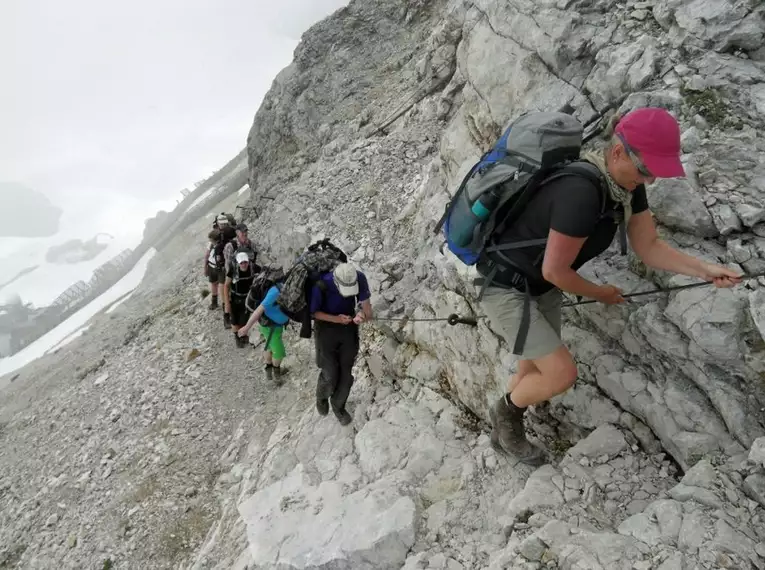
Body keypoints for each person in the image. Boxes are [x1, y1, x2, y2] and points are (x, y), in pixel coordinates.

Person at [475, 106, 743, 465]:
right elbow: (557, 270)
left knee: (533, 368)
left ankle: (501, 431)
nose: (649, 180)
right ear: (618, 151)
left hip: (536, 284)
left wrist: (705, 270)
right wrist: (601, 293)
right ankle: (506, 416)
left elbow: (650, 247)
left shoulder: (625, 185)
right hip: (507, 286)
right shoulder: (581, 192)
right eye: (646, 171)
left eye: (655, 174)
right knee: (561, 373)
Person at [310, 262, 373, 425]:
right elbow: (314, 313)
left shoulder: (359, 278)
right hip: (325, 328)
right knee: (330, 371)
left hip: (348, 327)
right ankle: (322, 395)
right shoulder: (322, 284)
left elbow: (367, 310)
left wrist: (361, 315)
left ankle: (338, 406)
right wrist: (336, 319)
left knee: (346, 374)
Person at [237, 270, 290, 385]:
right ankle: (276, 374)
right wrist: (247, 327)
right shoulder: (275, 291)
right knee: (279, 351)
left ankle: (269, 371)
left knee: (269, 345)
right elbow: (259, 310)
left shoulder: (281, 288)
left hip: (274, 325)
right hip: (270, 326)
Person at [224, 252, 257, 347]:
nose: (243, 264)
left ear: (248, 261)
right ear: (238, 263)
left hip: (247, 298)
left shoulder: (253, 268)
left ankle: (241, 335)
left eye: (245, 262)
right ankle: (237, 337)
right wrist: (227, 303)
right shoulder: (233, 270)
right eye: (241, 263)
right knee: (234, 320)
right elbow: (226, 286)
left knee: (243, 320)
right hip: (235, 299)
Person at [204, 229, 221, 309]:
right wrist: (205, 267)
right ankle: (214, 302)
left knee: (220, 284)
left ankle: (220, 302)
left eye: (211, 239)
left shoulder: (221, 245)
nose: (210, 241)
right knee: (214, 284)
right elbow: (207, 255)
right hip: (211, 266)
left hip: (219, 267)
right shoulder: (210, 244)